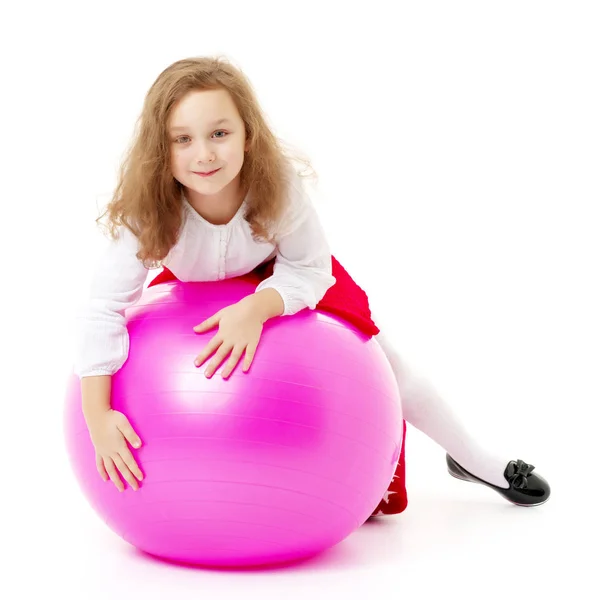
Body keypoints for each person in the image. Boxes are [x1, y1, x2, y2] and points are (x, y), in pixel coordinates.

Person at [74, 55, 550, 516]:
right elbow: (104, 306)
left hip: (290, 275)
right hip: (194, 294)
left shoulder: (274, 182)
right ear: (162, 148)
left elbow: (310, 266)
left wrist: (258, 307)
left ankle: (473, 460)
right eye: (183, 139)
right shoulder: (149, 209)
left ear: (247, 135)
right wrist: (96, 413)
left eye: (220, 133)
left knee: (390, 364)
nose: (204, 154)